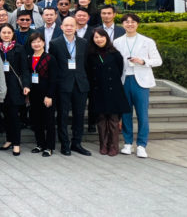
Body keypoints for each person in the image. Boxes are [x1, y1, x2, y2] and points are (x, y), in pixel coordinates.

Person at [113, 13, 162, 158]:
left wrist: (143, 61)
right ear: (123, 24)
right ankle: (127, 143)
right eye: (126, 22)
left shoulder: (147, 41)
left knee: (142, 114)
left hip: (141, 80)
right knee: (126, 113)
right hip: (124, 80)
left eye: (133, 22)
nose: (130, 24)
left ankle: (141, 145)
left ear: (137, 24)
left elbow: (158, 61)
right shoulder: (117, 42)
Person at [50, 16, 92, 156]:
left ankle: (77, 143)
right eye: (66, 25)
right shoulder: (54, 43)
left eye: (71, 25)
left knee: (79, 115)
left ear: (76, 27)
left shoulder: (83, 43)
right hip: (63, 84)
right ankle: (65, 144)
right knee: (62, 115)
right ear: (61, 27)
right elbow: (53, 66)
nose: (69, 28)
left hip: (80, 84)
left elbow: (86, 64)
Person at [87, 28, 130, 156]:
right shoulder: (90, 55)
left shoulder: (115, 54)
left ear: (106, 38)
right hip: (98, 90)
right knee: (101, 119)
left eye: (101, 37)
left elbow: (120, 70)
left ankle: (113, 146)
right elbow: (89, 72)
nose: (99, 39)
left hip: (113, 90)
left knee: (113, 119)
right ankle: (103, 145)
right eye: (96, 37)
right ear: (93, 40)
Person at [0, 24, 28, 156]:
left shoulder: (19, 48)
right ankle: (9, 139)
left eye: (9, 32)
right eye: (4, 32)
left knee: (14, 116)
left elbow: (24, 69)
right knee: (5, 115)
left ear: (13, 34)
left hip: (14, 87)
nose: (6, 35)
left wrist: (26, 85)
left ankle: (16, 143)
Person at [25, 32, 58, 157]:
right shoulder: (29, 58)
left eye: (39, 41)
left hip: (47, 94)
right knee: (36, 121)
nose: (36, 44)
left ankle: (49, 147)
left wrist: (49, 95)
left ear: (43, 43)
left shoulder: (50, 58)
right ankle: (40, 144)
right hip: (33, 94)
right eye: (34, 42)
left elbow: (54, 79)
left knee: (48, 121)